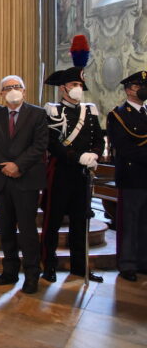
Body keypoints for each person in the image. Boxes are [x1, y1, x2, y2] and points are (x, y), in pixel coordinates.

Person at [0, 75, 48, 294]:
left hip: (26, 179)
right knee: (5, 229)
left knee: (28, 230)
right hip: (2, 179)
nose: (12, 91)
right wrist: (5, 165)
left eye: (16, 87)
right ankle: (9, 270)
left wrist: (17, 165)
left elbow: (39, 145)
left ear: (24, 91)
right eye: (7, 88)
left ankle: (31, 274)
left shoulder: (38, 114)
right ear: (1, 94)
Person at [41, 66, 105, 283]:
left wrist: (94, 154)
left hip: (83, 175)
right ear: (63, 88)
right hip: (60, 173)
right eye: (74, 85)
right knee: (53, 222)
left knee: (81, 223)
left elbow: (99, 139)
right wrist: (77, 157)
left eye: (79, 85)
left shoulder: (90, 111)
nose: (78, 89)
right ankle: (48, 265)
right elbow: (51, 143)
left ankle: (80, 267)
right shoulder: (53, 110)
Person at [106, 70, 147, 282]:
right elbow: (124, 147)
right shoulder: (118, 115)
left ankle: (143, 261)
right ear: (130, 89)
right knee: (130, 222)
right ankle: (128, 263)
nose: (143, 89)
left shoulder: (146, 112)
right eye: (140, 86)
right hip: (132, 176)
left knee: (145, 223)